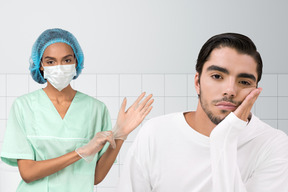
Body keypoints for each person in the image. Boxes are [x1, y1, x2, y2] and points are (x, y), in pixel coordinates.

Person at [117, 33, 288, 192]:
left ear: (255, 91)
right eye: (217, 76)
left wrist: (225, 138)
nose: (230, 90)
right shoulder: (156, 133)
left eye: (244, 81)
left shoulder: (273, 144)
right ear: (198, 82)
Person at [0, 28, 154, 192]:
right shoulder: (24, 106)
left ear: (76, 61)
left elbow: (95, 176)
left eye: (66, 60)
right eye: (51, 62)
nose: (59, 67)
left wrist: (120, 134)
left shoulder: (95, 109)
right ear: (40, 65)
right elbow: (28, 173)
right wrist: (80, 152)